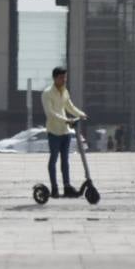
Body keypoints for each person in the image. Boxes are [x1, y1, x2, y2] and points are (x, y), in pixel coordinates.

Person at [41, 66, 87, 198]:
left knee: (65, 161)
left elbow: (70, 106)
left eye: (65, 77)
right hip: (54, 132)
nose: (64, 80)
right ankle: (54, 188)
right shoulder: (47, 93)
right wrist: (66, 120)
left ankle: (67, 186)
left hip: (65, 132)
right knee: (53, 159)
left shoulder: (65, 91)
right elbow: (50, 114)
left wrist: (82, 114)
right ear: (55, 78)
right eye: (62, 77)